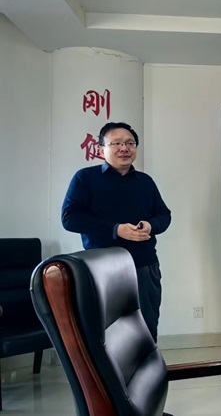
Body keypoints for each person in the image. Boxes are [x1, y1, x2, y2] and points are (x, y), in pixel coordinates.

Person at [61, 122, 171, 343]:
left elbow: (164, 215)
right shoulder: (85, 178)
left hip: (144, 266)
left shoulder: (145, 182)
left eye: (130, 143)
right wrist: (116, 230)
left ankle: (147, 365)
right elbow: (70, 218)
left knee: (147, 327)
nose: (124, 148)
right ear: (101, 149)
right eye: (116, 143)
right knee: (108, 333)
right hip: (103, 268)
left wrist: (150, 225)